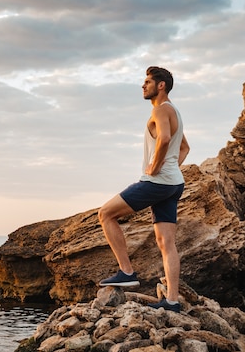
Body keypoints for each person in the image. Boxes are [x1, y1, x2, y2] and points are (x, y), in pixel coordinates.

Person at [97, 66, 190, 313]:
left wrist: (155, 167)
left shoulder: (160, 110)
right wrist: (170, 168)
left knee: (106, 214)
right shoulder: (175, 112)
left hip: (158, 183)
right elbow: (185, 148)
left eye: (148, 81)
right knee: (166, 243)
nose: (143, 85)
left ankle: (126, 271)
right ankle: (172, 300)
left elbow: (166, 140)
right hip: (174, 184)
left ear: (161, 85)